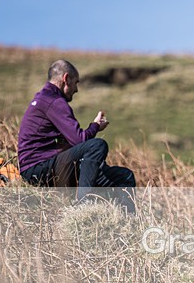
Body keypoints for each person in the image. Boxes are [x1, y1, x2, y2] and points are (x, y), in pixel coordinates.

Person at [17, 59, 136, 213]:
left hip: (46, 166)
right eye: (76, 82)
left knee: (124, 176)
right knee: (98, 145)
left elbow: (73, 144)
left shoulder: (44, 98)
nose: (77, 89)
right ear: (66, 79)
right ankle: (83, 206)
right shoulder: (54, 102)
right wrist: (95, 127)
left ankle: (129, 221)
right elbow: (80, 140)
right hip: (37, 170)